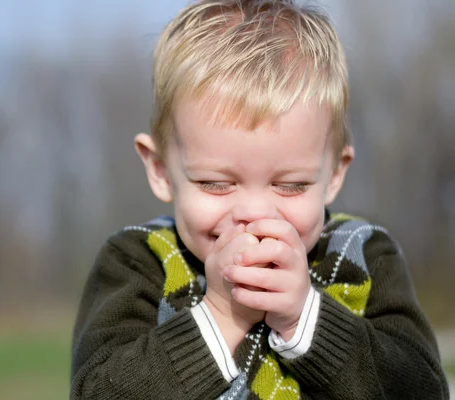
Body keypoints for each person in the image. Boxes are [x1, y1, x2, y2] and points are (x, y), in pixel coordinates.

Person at [70, 1, 450, 398]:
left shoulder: (363, 257)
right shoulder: (137, 264)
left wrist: (307, 319)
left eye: (291, 185)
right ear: (161, 170)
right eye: (215, 183)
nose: (254, 215)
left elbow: (423, 389)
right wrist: (219, 315)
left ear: (334, 173)